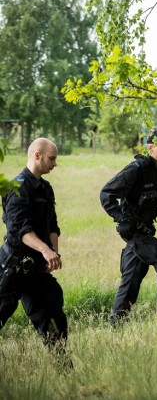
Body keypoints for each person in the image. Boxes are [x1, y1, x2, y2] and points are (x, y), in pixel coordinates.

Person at [100, 130, 157, 325]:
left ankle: (117, 321)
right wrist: (121, 218)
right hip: (135, 231)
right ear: (150, 147)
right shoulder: (136, 168)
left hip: (145, 229)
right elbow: (106, 193)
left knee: (133, 275)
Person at [0, 138, 71, 367]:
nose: (55, 163)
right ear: (37, 155)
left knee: (54, 319)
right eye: (52, 158)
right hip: (13, 267)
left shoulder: (46, 188)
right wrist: (45, 250)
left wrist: (54, 254)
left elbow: (53, 226)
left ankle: (66, 373)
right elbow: (20, 230)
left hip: (36, 271)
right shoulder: (16, 187)